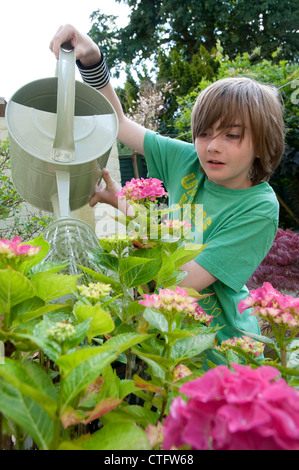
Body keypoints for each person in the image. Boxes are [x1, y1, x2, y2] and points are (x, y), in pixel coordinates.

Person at [50, 25, 285, 347]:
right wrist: (91, 60)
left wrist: (127, 213)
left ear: (262, 143)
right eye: (204, 133)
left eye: (231, 135)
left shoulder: (258, 208)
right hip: (166, 337)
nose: (212, 146)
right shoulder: (189, 160)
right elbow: (116, 123)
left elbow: (180, 282)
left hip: (221, 349)